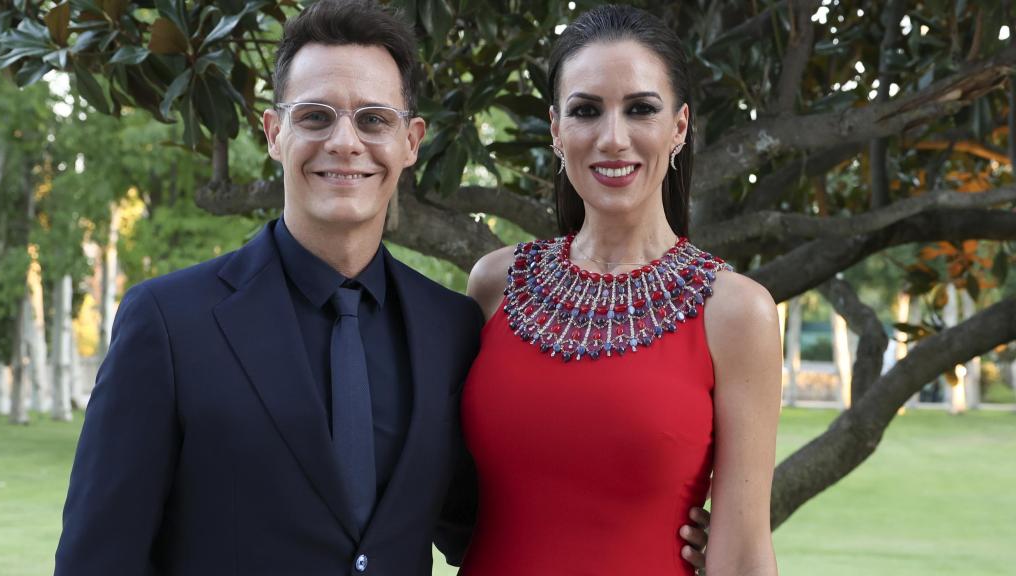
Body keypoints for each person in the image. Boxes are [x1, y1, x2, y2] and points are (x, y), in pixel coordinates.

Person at [54, 1, 711, 575]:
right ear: (274, 134)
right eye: (315, 117)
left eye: (372, 119)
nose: (345, 143)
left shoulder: (449, 328)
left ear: (410, 141)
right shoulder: (168, 324)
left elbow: (489, 517)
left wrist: (665, 529)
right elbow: (97, 560)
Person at [462, 5, 781, 575]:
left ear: (678, 127)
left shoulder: (737, 314)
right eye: (587, 111)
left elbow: (744, 558)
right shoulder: (493, 285)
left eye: (640, 110)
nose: (613, 138)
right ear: (557, 130)